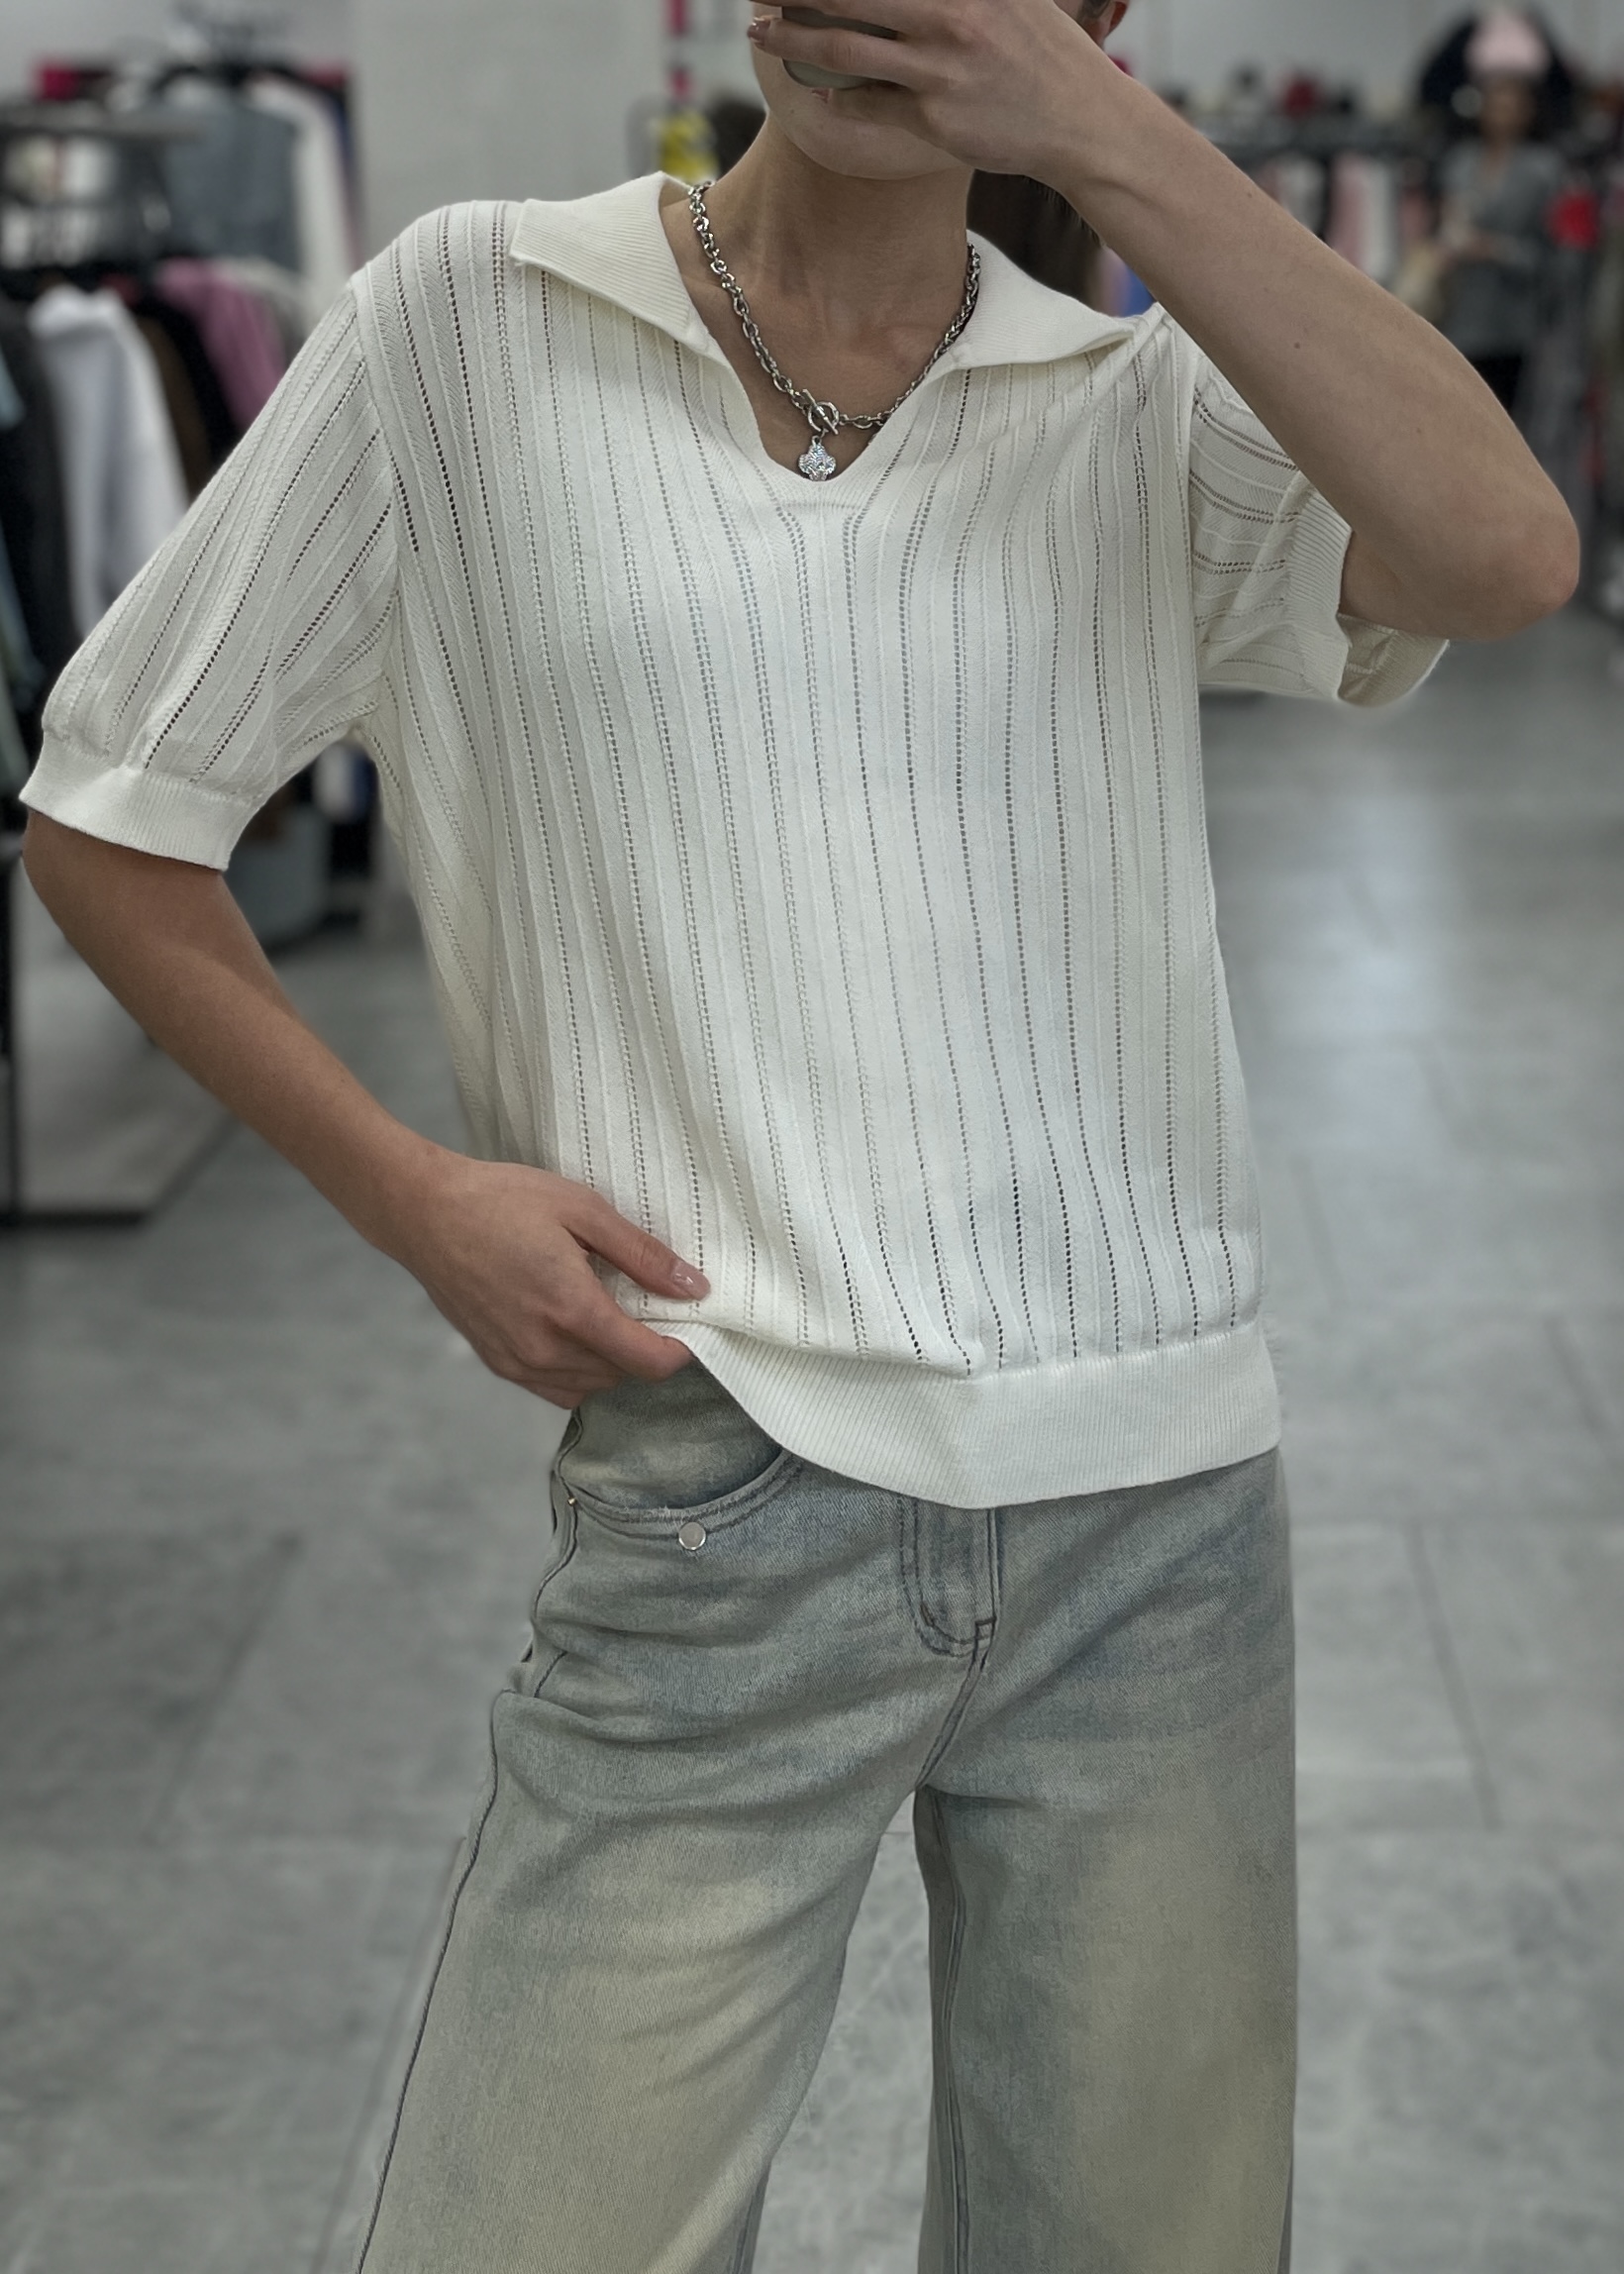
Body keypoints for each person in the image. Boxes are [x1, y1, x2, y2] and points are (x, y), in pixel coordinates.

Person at [19, 1, 1575, 2267]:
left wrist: (1106, 140)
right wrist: (412, 1194)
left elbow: (1503, 552)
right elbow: (112, 812)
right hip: (715, 1486)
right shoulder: (471, 317)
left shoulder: (1128, 401)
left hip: (1150, 1514)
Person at [1436, 12, 1566, 415]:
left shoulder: (1543, 170)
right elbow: (1444, 230)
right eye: (1495, 101)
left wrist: (1496, 249)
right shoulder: (1460, 163)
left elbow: (1553, 258)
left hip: (1515, 324)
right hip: (1460, 317)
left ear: (1528, 109)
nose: (1502, 112)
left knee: (1511, 420)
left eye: (1513, 103)